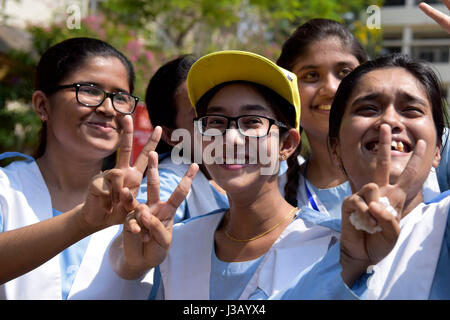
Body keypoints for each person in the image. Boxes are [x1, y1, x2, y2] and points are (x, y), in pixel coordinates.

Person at [109, 50, 342, 299]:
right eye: (216, 122)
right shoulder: (178, 244)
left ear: (287, 144)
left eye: (252, 121)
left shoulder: (329, 246)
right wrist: (133, 261)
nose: (230, 139)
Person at [273, 52, 449, 299]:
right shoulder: (293, 247)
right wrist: (349, 263)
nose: (389, 121)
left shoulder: (444, 222)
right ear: (335, 149)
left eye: (411, 109)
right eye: (368, 108)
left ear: (437, 150)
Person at [0, 37, 161, 299]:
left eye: (120, 97)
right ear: (42, 105)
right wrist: (81, 222)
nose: (108, 108)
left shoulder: (144, 206)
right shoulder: (5, 188)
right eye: (89, 90)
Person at [276, 18, 442, 218]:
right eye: (311, 75)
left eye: (344, 73)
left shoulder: (428, 152)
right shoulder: (275, 190)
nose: (331, 88)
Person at [136, 55, 229, 223]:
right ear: (172, 135)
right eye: (205, 118)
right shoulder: (169, 182)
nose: (226, 126)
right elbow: (144, 219)